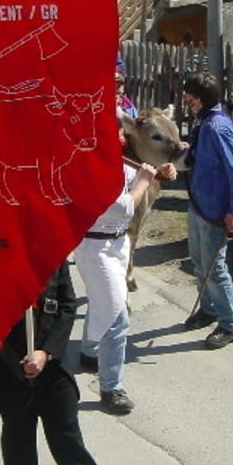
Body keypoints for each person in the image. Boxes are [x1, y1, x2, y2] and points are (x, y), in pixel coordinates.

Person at [0, 261, 132, 465]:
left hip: (51, 363)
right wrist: (17, 355)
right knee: (18, 434)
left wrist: (46, 352)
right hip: (12, 363)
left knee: (69, 438)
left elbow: (67, 305)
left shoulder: (53, 255)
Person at [75, 130, 169, 414]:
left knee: (102, 298)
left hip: (117, 243)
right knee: (117, 314)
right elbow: (121, 207)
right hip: (96, 246)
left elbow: (134, 177)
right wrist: (142, 182)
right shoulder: (86, 163)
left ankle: (90, 351)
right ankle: (111, 387)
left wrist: (157, 175)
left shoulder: (114, 159)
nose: (120, 134)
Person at [181, 72, 233, 350]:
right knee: (199, 261)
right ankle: (209, 307)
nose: (186, 102)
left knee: (215, 267)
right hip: (200, 205)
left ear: (198, 99)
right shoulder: (206, 122)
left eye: (188, 97)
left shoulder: (217, 127)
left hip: (214, 210)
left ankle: (231, 322)